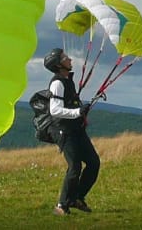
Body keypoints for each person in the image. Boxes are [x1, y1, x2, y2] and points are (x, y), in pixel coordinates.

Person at [44, 48, 100, 216]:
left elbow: (70, 103)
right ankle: (61, 205)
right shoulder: (57, 83)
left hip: (76, 129)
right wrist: (77, 112)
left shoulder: (68, 80)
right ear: (59, 65)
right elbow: (55, 110)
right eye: (65, 58)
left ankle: (77, 198)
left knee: (93, 163)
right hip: (64, 131)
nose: (69, 59)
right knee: (74, 167)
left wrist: (81, 112)